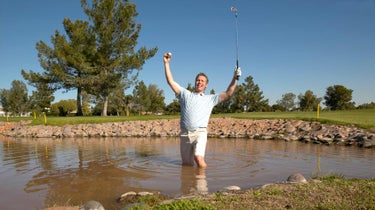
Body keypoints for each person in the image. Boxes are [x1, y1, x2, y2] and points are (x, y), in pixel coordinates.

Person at [163, 52, 241, 168]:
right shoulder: (185, 94)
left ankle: (202, 184)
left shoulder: (211, 99)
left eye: (202, 81)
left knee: (198, 158)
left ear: (206, 85)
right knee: (186, 165)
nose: (199, 82)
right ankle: (189, 184)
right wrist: (166, 63)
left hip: (200, 132)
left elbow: (228, 93)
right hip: (185, 134)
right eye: (198, 80)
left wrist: (235, 78)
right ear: (195, 82)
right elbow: (170, 81)